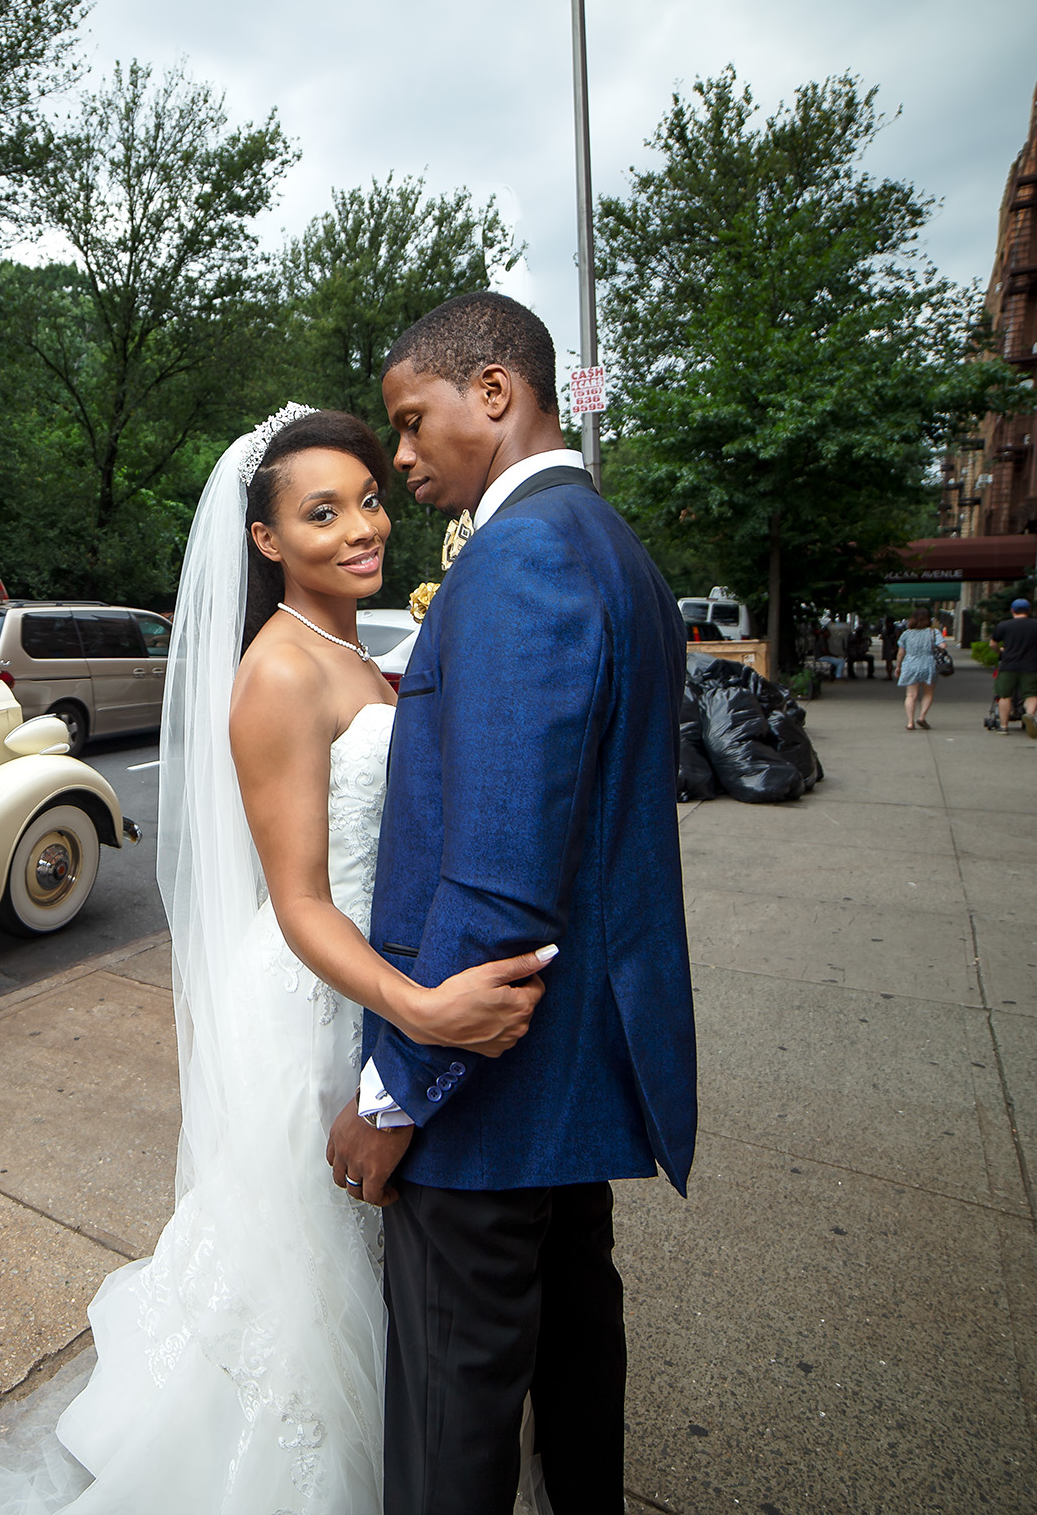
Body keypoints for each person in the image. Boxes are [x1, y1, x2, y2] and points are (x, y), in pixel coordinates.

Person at [0, 404, 553, 1513]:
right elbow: (297, 903)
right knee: (309, 1268)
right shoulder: (280, 673)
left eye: (370, 500)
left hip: (364, 983)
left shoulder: (357, 646)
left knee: (364, 1272)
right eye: (322, 513)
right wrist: (420, 1012)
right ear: (267, 541)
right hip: (315, 1001)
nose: (361, 528)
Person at [330, 292, 699, 1514]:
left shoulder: (525, 557)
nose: (400, 453)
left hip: (493, 1094)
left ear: (495, 392)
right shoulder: (615, 548)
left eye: (410, 418)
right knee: (579, 1358)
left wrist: (395, 1094)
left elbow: (498, 869)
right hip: (577, 1081)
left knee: (454, 1421)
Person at [992, 597, 1037, 737]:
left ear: (1012, 610)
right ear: (1029, 611)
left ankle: (1003, 726)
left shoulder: (1003, 625)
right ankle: (1029, 715)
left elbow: (993, 643)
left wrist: (1000, 652)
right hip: (1030, 665)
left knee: (1004, 695)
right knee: (1031, 694)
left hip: (1009, 665)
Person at [896, 611, 944, 729]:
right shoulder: (933, 632)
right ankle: (922, 717)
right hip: (928, 664)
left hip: (910, 664)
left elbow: (901, 652)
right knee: (928, 693)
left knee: (911, 695)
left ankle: (910, 722)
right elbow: (943, 646)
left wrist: (898, 666)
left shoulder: (906, 634)